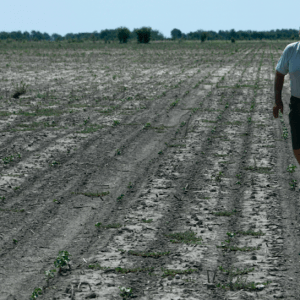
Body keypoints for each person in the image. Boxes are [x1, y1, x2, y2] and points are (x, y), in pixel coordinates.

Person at [273, 30, 300, 165]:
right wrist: (278, 101)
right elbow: (279, 73)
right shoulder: (291, 50)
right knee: (297, 145)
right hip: (297, 104)